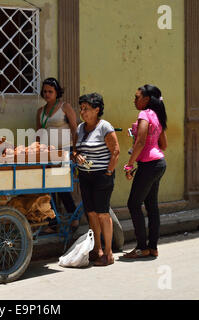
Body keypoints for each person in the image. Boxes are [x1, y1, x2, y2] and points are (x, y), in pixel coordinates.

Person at [72, 93, 120, 266]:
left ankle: (108, 253)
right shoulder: (80, 128)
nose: (82, 112)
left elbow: (115, 151)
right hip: (85, 176)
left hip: (102, 176)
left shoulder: (105, 127)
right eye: (81, 109)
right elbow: (75, 150)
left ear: (97, 109)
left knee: (102, 214)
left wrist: (108, 172)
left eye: (86, 109)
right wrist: (76, 156)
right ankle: (96, 249)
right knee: (91, 213)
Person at [122, 84, 167, 259]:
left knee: (133, 204)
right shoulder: (157, 116)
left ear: (146, 100)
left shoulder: (144, 114)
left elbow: (140, 142)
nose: (134, 100)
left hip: (148, 165)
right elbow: (163, 145)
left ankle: (142, 247)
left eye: (137, 97)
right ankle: (153, 247)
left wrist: (129, 165)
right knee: (151, 206)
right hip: (159, 163)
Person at [36, 78, 79, 233]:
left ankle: (73, 217)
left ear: (56, 93)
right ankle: (53, 222)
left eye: (50, 91)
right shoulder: (40, 111)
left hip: (65, 151)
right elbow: (39, 134)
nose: (47, 94)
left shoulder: (65, 107)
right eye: (45, 91)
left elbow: (75, 129)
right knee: (48, 187)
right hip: (48, 154)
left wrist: (75, 150)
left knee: (61, 186)